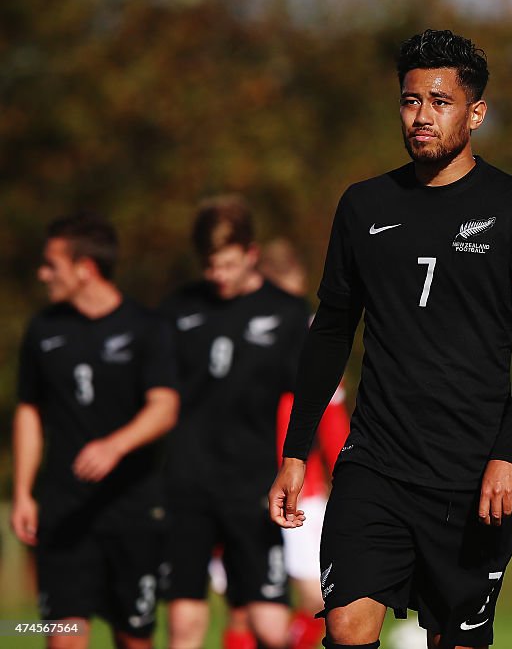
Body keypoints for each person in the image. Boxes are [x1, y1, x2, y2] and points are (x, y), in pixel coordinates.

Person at [268, 28, 512, 649]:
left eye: (439, 101)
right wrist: (296, 451)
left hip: (470, 476)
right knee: (347, 628)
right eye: (410, 101)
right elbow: (329, 334)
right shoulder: (363, 205)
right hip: (374, 464)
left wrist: (508, 455)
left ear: (475, 112)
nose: (421, 116)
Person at [10, 213, 179, 649]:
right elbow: (29, 410)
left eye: (52, 264)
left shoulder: (147, 327)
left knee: (134, 638)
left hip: (132, 511)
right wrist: (24, 491)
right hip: (64, 512)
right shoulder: (43, 329)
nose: (43, 273)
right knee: (63, 636)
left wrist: (115, 445)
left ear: (85, 269)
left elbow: (165, 407)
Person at [160, 197, 310, 649]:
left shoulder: (286, 312)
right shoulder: (177, 311)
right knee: (185, 624)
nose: (218, 276)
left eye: (227, 264)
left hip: (253, 487)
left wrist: (297, 464)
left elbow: (307, 400)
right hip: (187, 486)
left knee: (268, 625)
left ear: (250, 254)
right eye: (209, 266)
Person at [261, 238, 351, 649]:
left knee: (252, 605)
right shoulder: (313, 332)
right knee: (317, 599)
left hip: (245, 477)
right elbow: (331, 418)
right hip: (299, 484)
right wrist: (346, 475)